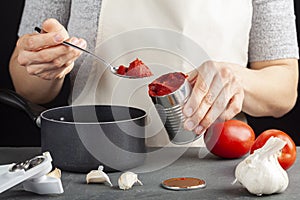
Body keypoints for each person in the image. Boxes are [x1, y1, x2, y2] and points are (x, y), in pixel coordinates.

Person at [9, 0, 299, 146]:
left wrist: (238, 80)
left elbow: (283, 88)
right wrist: (46, 62)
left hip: (216, 167)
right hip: (92, 161)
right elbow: (26, 86)